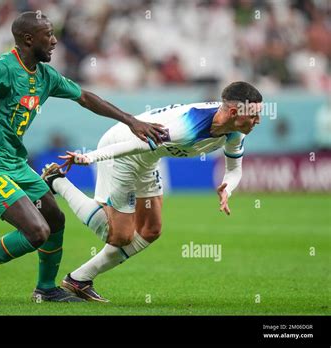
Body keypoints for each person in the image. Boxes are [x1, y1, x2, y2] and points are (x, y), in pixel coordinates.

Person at [0, 12, 165, 304]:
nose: (54, 41)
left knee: (55, 218)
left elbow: (86, 98)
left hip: (15, 164)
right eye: (48, 35)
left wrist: (131, 121)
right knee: (38, 231)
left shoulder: (45, 76)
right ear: (28, 39)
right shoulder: (3, 68)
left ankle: (46, 288)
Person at [42, 81, 262, 302]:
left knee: (151, 229)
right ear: (234, 112)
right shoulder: (187, 127)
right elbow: (136, 145)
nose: (258, 121)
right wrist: (91, 157)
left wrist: (228, 188)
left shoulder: (235, 132)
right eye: (254, 115)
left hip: (150, 157)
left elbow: (234, 169)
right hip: (124, 148)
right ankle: (57, 182)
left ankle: (79, 279)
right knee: (120, 236)